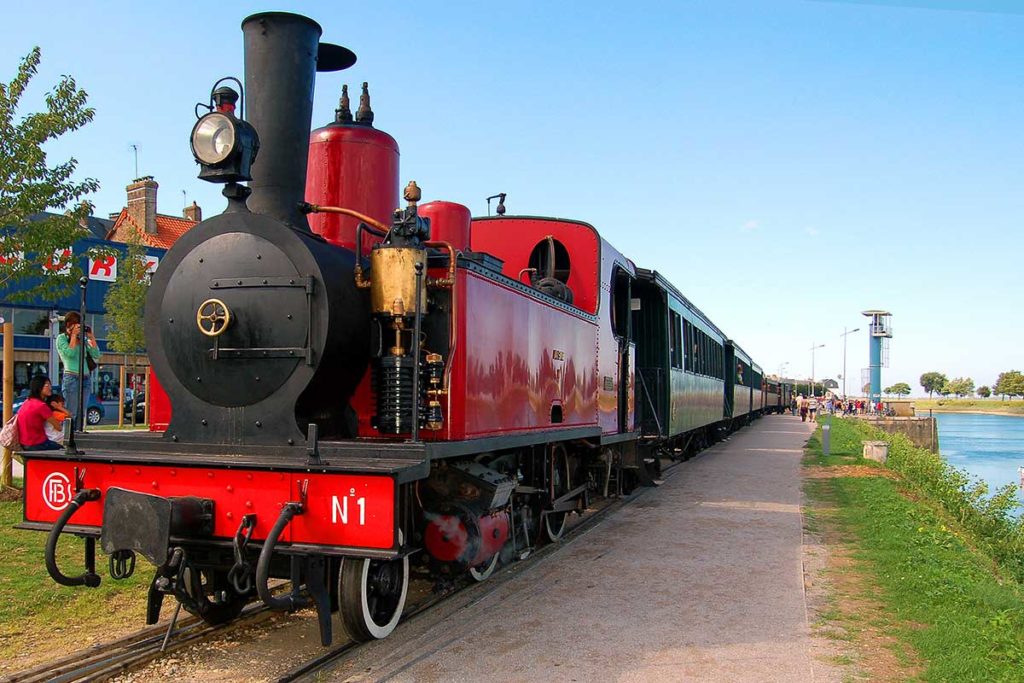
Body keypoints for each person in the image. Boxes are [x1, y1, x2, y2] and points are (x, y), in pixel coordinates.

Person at [56, 311, 100, 430]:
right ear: (69, 325)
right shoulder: (61, 338)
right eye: (76, 325)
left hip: (85, 377)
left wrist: (91, 337)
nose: (78, 328)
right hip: (72, 377)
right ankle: (68, 438)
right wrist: (74, 337)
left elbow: (96, 354)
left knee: (81, 412)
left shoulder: (83, 340)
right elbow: (70, 353)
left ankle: (78, 434)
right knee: (71, 412)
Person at [17, 376, 63, 451]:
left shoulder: (27, 402)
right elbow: (59, 427)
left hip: (24, 443)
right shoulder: (41, 406)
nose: (50, 388)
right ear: (39, 388)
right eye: (47, 385)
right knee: (63, 449)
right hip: (37, 443)